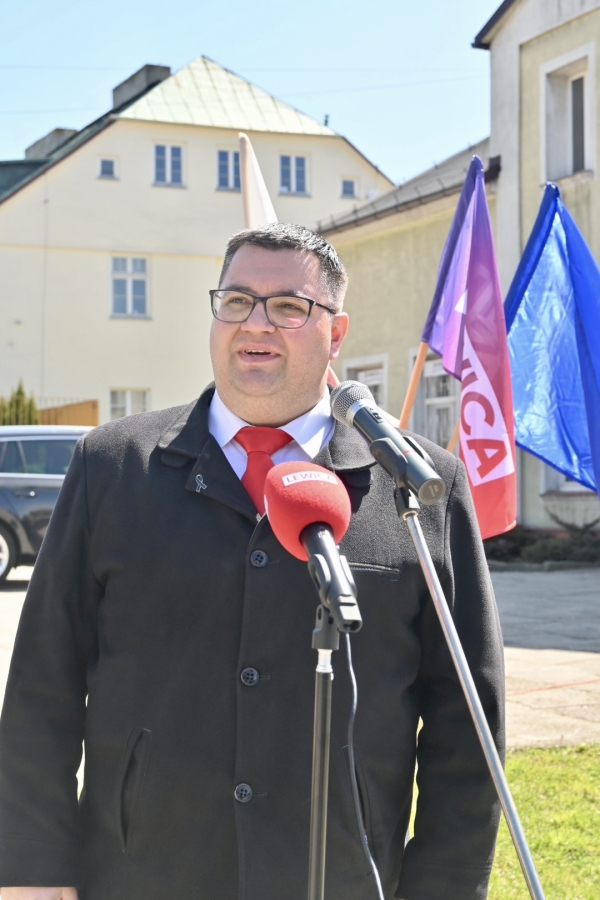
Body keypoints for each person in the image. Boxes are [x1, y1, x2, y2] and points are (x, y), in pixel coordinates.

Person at [0, 224, 504, 900]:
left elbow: (466, 722)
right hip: (141, 873)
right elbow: (43, 682)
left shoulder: (418, 488)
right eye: (236, 300)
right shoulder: (112, 467)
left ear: (336, 332)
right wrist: (32, 868)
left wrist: (445, 886)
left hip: (340, 878)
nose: (255, 323)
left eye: (289, 306)